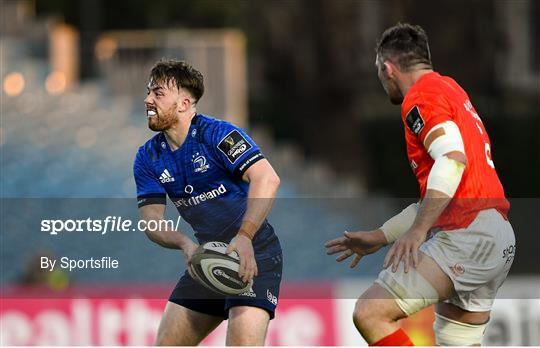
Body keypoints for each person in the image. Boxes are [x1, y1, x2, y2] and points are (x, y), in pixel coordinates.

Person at [326, 23, 515, 346]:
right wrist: (381, 236)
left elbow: (452, 159)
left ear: (387, 68)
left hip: (466, 235)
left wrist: (416, 232)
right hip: (495, 235)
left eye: (379, 72)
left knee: (370, 313)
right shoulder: (451, 90)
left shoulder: (421, 97)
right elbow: (441, 194)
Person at [133, 59, 282, 346]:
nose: (147, 100)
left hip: (255, 255)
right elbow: (152, 223)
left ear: (184, 104)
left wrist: (245, 235)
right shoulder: (147, 157)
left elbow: (268, 178)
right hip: (208, 258)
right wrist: (185, 244)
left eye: (158, 93)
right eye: (149, 92)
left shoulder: (218, 135)